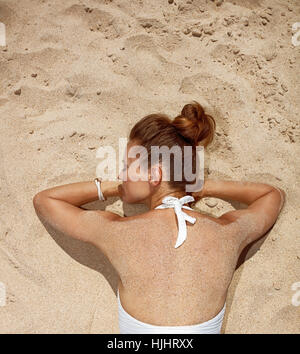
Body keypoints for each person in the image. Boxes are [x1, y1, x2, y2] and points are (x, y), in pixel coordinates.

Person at [33, 100, 285, 333]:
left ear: (154, 175)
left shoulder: (117, 232)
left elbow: (46, 201)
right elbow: (271, 196)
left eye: (127, 167)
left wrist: (111, 188)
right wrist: (201, 186)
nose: (121, 174)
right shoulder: (226, 232)